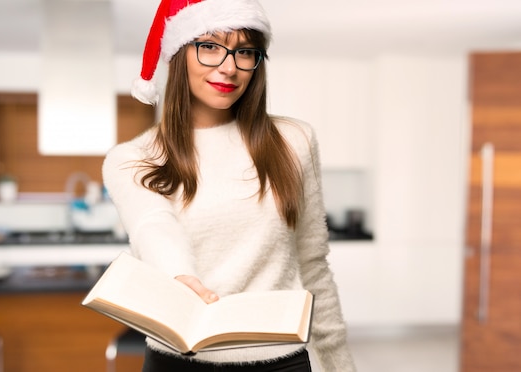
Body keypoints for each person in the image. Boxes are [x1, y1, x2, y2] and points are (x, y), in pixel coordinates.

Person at [103, 0, 356, 370]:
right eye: (209, 47)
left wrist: (339, 363)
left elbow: (313, 264)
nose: (228, 67)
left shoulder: (294, 141)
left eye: (244, 52)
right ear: (178, 54)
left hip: (279, 359)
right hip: (178, 361)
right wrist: (179, 275)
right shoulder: (132, 159)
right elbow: (153, 225)